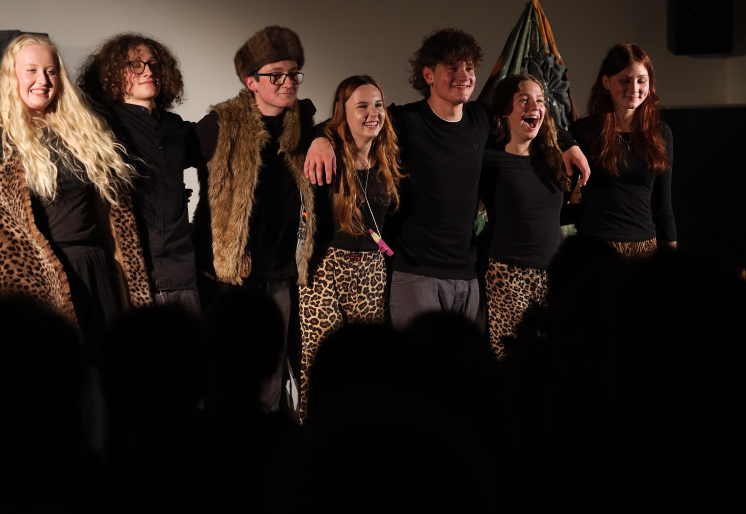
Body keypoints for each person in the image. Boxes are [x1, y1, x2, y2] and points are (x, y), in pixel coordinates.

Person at [305, 28, 590, 332]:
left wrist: (569, 143)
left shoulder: (481, 119)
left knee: (463, 363)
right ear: (428, 74)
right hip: (416, 274)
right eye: (452, 68)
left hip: (468, 277)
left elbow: (529, 115)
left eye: (469, 68)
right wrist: (320, 139)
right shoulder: (405, 120)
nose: (463, 76)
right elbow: (350, 119)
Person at [0, 34, 152, 349]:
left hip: (93, 272)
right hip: (24, 283)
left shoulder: (86, 133)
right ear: (12, 76)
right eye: (31, 70)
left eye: (50, 71)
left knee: (103, 372)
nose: (42, 80)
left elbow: (116, 214)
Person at [192, 25, 317, 414]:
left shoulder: (305, 128)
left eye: (293, 74)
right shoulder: (219, 125)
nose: (287, 82)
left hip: (279, 274)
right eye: (276, 75)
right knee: (222, 376)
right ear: (251, 81)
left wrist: (324, 139)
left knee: (271, 380)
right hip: (228, 277)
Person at [297, 75, 404, 420]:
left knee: (365, 365)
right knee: (319, 363)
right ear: (343, 113)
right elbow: (301, 130)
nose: (374, 112)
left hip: (371, 269)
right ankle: (311, 433)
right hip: (325, 269)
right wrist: (320, 137)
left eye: (378, 104)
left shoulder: (389, 157)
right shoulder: (325, 155)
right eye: (362, 106)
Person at [78, 33, 202, 315]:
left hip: (181, 274)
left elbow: (230, 138)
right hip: (129, 277)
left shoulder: (176, 128)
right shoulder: (100, 128)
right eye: (135, 65)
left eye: (154, 64)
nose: (148, 71)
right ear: (112, 74)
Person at [480, 73, 571, 359]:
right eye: (523, 100)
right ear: (504, 110)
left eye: (540, 100)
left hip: (553, 277)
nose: (535, 107)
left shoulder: (552, 157)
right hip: (507, 277)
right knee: (512, 362)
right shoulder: (488, 160)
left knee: (554, 363)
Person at [569, 43, 676, 257]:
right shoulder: (583, 131)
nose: (634, 89)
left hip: (645, 250)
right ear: (606, 82)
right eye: (624, 80)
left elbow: (662, 205)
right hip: (596, 250)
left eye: (641, 81)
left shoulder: (661, 133)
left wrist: (673, 261)